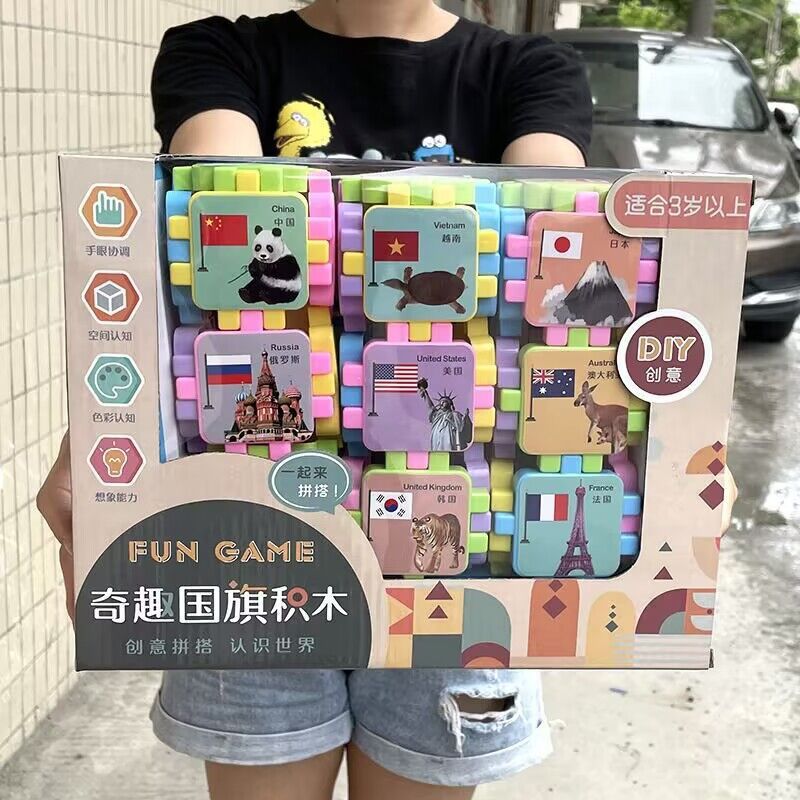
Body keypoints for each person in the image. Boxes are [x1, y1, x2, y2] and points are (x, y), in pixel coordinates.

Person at [37, 2, 592, 798]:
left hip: (455, 563)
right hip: (255, 548)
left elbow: (563, 275)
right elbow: (218, 231)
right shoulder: (219, 53)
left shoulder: (530, 72)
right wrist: (105, 424)